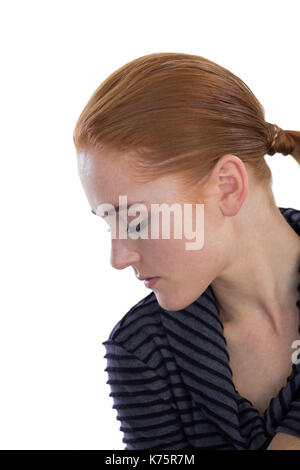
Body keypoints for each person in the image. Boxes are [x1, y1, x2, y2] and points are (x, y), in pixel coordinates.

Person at [73, 52, 300, 450]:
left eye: (136, 221)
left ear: (227, 186)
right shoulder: (140, 352)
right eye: (107, 223)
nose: (119, 258)